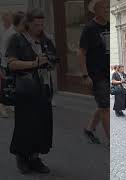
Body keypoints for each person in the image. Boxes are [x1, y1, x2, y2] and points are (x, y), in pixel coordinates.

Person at [6, 8, 57, 174]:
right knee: (25, 125)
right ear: (28, 24)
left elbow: (53, 59)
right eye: (36, 24)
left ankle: (35, 157)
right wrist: (34, 63)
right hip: (25, 89)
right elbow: (11, 64)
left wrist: (50, 62)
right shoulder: (17, 39)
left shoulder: (46, 40)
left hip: (44, 89)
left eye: (42, 24)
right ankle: (22, 157)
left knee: (42, 125)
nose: (39, 27)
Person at [79, 0, 109, 144]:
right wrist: (85, 75)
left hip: (109, 73)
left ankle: (89, 129)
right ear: (95, 10)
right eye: (103, 7)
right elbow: (81, 53)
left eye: (108, 6)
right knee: (105, 107)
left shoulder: (109, 25)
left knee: (103, 105)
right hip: (97, 74)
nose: (106, 9)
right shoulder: (89, 28)